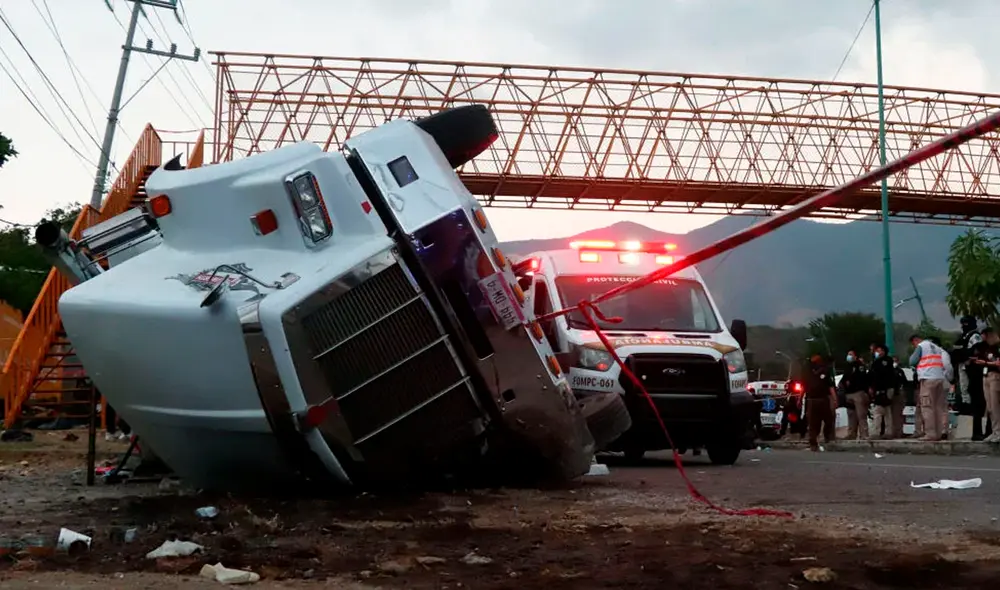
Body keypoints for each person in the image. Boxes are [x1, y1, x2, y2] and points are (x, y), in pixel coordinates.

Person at [909, 334, 953, 441]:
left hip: (927, 379)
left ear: (916, 340)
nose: (914, 346)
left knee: (927, 407)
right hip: (939, 379)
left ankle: (930, 434)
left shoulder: (921, 346)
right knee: (938, 407)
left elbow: (912, 361)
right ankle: (938, 432)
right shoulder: (937, 348)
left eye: (913, 344)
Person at [952, 316, 987, 440]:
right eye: (962, 323)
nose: (963, 326)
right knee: (965, 396)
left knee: (976, 399)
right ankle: (969, 429)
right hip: (962, 369)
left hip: (974, 372)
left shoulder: (974, 336)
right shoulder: (963, 337)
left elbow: (975, 352)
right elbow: (955, 353)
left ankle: (977, 431)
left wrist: (964, 355)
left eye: (965, 323)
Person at [972, 327, 1000, 443]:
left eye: (983, 335)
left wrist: (986, 363)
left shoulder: (997, 347)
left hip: (995, 376)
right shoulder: (987, 348)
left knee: (995, 405)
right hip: (986, 376)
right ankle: (994, 431)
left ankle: (998, 432)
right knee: (989, 408)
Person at [805, 355, 837, 451]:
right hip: (813, 399)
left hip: (821, 399)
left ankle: (826, 438)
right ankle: (814, 443)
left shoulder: (825, 371)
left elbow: (830, 386)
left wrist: (834, 399)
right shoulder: (808, 372)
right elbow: (804, 386)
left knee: (827, 420)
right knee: (813, 423)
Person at [840, 350, 870, 440]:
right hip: (848, 393)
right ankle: (851, 433)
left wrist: (851, 381)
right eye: (848, 354)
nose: (848, 356)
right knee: (851, 414)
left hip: (858, 393)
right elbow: (844, 379)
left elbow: (862, 378)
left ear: (855, 356)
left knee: (861, 415)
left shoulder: (859, 366)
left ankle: (864, 434)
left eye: (851, 354)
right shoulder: (847, 367)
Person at [869, 344, 897, 439]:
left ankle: (878, 432)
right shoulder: (875, 362)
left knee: (880, 411)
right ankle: (885, 432)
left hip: (885, 388)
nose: (877, 352)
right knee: (885, 411)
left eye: (879, 350)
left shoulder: (886, 361)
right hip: (880, 389)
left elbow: (883, 376)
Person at [891, 357, 908, 438]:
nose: (895, 362)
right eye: (893, 361)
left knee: (898, 415)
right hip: (891, 395)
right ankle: (893, 432)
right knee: (891, 415)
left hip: (899, 394)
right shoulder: (889, 371)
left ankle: (899, 432)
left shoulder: (900, 371)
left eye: (896, 361)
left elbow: (905, 382)